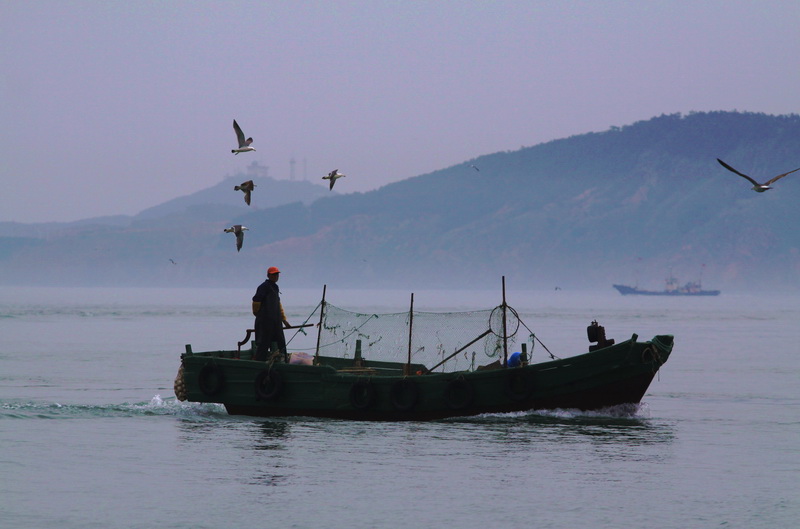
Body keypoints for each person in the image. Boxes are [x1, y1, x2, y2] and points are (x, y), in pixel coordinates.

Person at [252, 266, 291, 361]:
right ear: (268, 275)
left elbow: (278, 304)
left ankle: (283, 361)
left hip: (276, 321)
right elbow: (256, 301)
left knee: (280, 342)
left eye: (277, 274)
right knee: (264, 343)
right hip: (265, 321)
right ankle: (259, 363)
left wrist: (284, 320)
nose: (276, 276)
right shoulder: (263, 287)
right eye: (273, 274)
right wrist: (258, 314)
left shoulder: (275, 287)